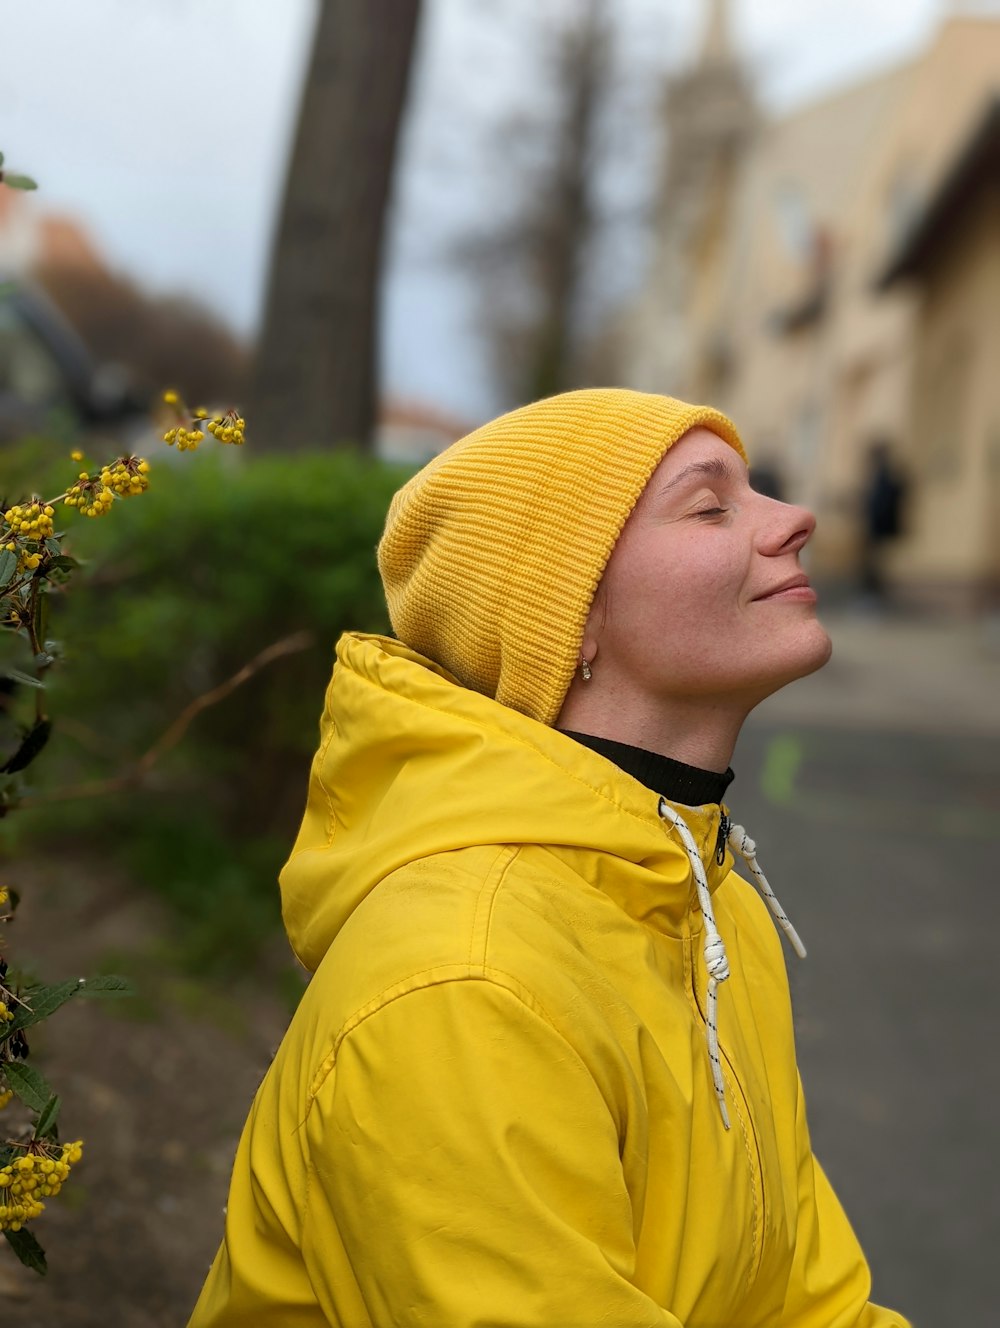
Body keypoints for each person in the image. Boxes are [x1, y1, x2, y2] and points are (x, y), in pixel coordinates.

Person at [188, 389, 911, 1327]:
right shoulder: (464, 980)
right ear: (565, 620)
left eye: (758, 489)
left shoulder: (709, 906)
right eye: (709, 505)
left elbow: (807, 1299)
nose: (795, 518)